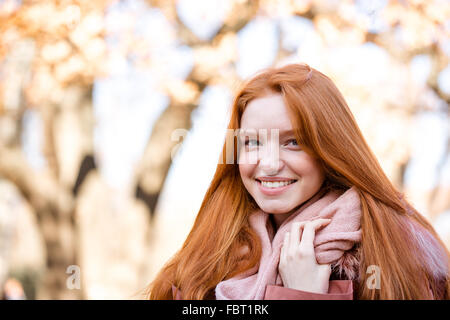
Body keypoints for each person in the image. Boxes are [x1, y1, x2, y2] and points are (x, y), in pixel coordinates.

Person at [146, 63, 450, 300]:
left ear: (329, 149)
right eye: (252, 142)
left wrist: (305, 293)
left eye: (293, 142)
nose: (269, 163)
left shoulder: (396, 249)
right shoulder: (213, 246)